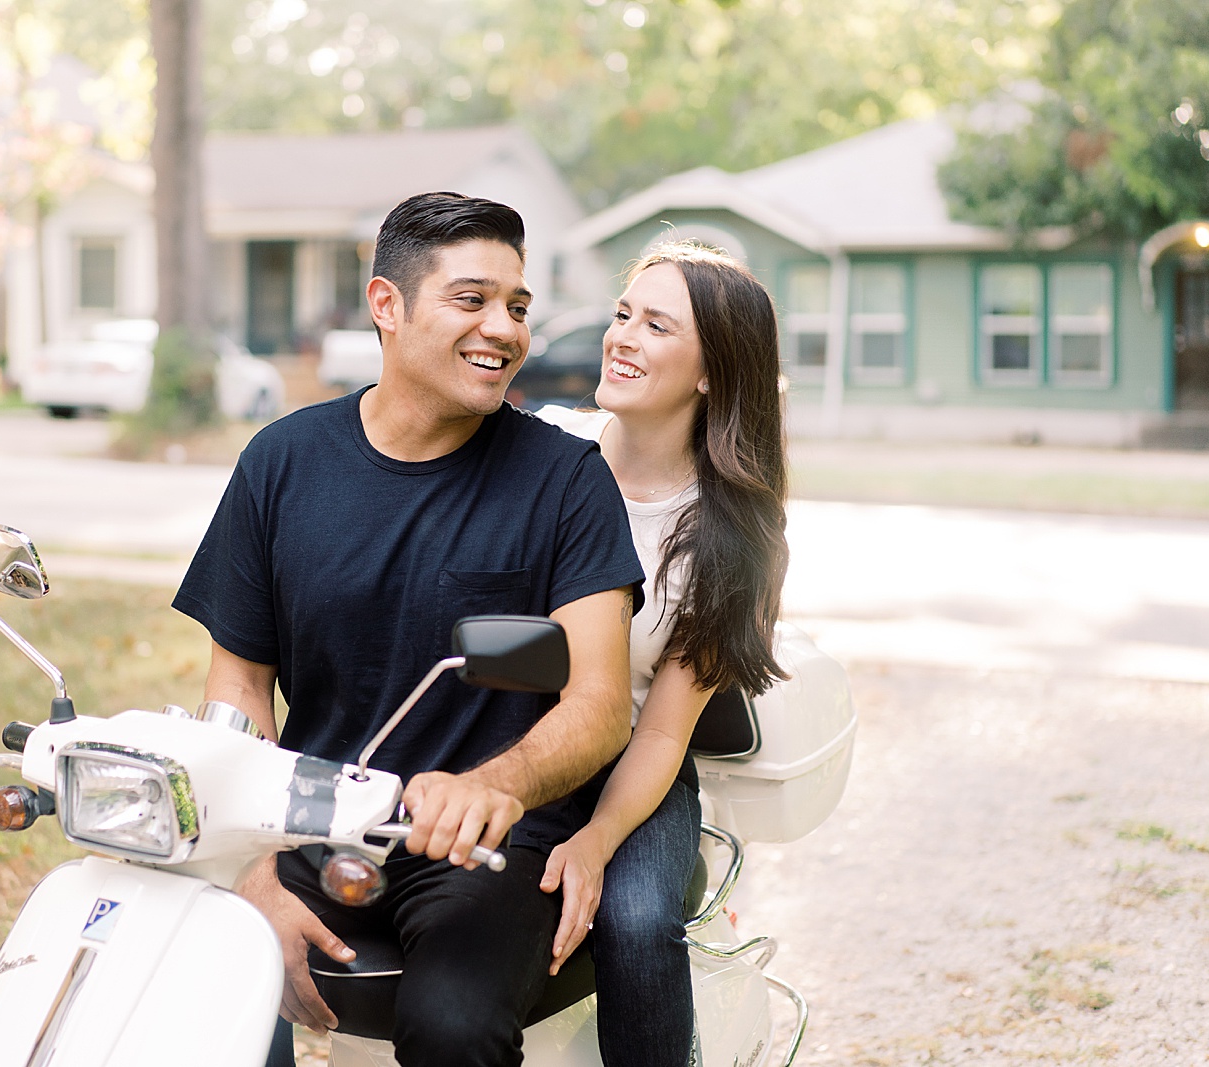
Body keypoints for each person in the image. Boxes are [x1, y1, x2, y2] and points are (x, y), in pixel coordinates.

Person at [172, 191, 646, 1067]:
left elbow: (601, 701)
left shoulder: (566, 478)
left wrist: (496, 784)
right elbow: (237, 685)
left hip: (485, 848)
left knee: (454, 1026)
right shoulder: (281, 461)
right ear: (386, 305)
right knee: (198, 985)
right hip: (315, 825)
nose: (502, 328)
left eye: (517, 306)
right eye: (471, 299)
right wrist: (252, 862)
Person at [534, 241, 791, 1067]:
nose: (622, 337)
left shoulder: (728, 537)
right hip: (510, 743)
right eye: (621, 315)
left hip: (634, 766)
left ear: (713, 370)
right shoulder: (542, 452)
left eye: (655, 325)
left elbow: (661, 734)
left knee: (637, 916)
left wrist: (597, 839)